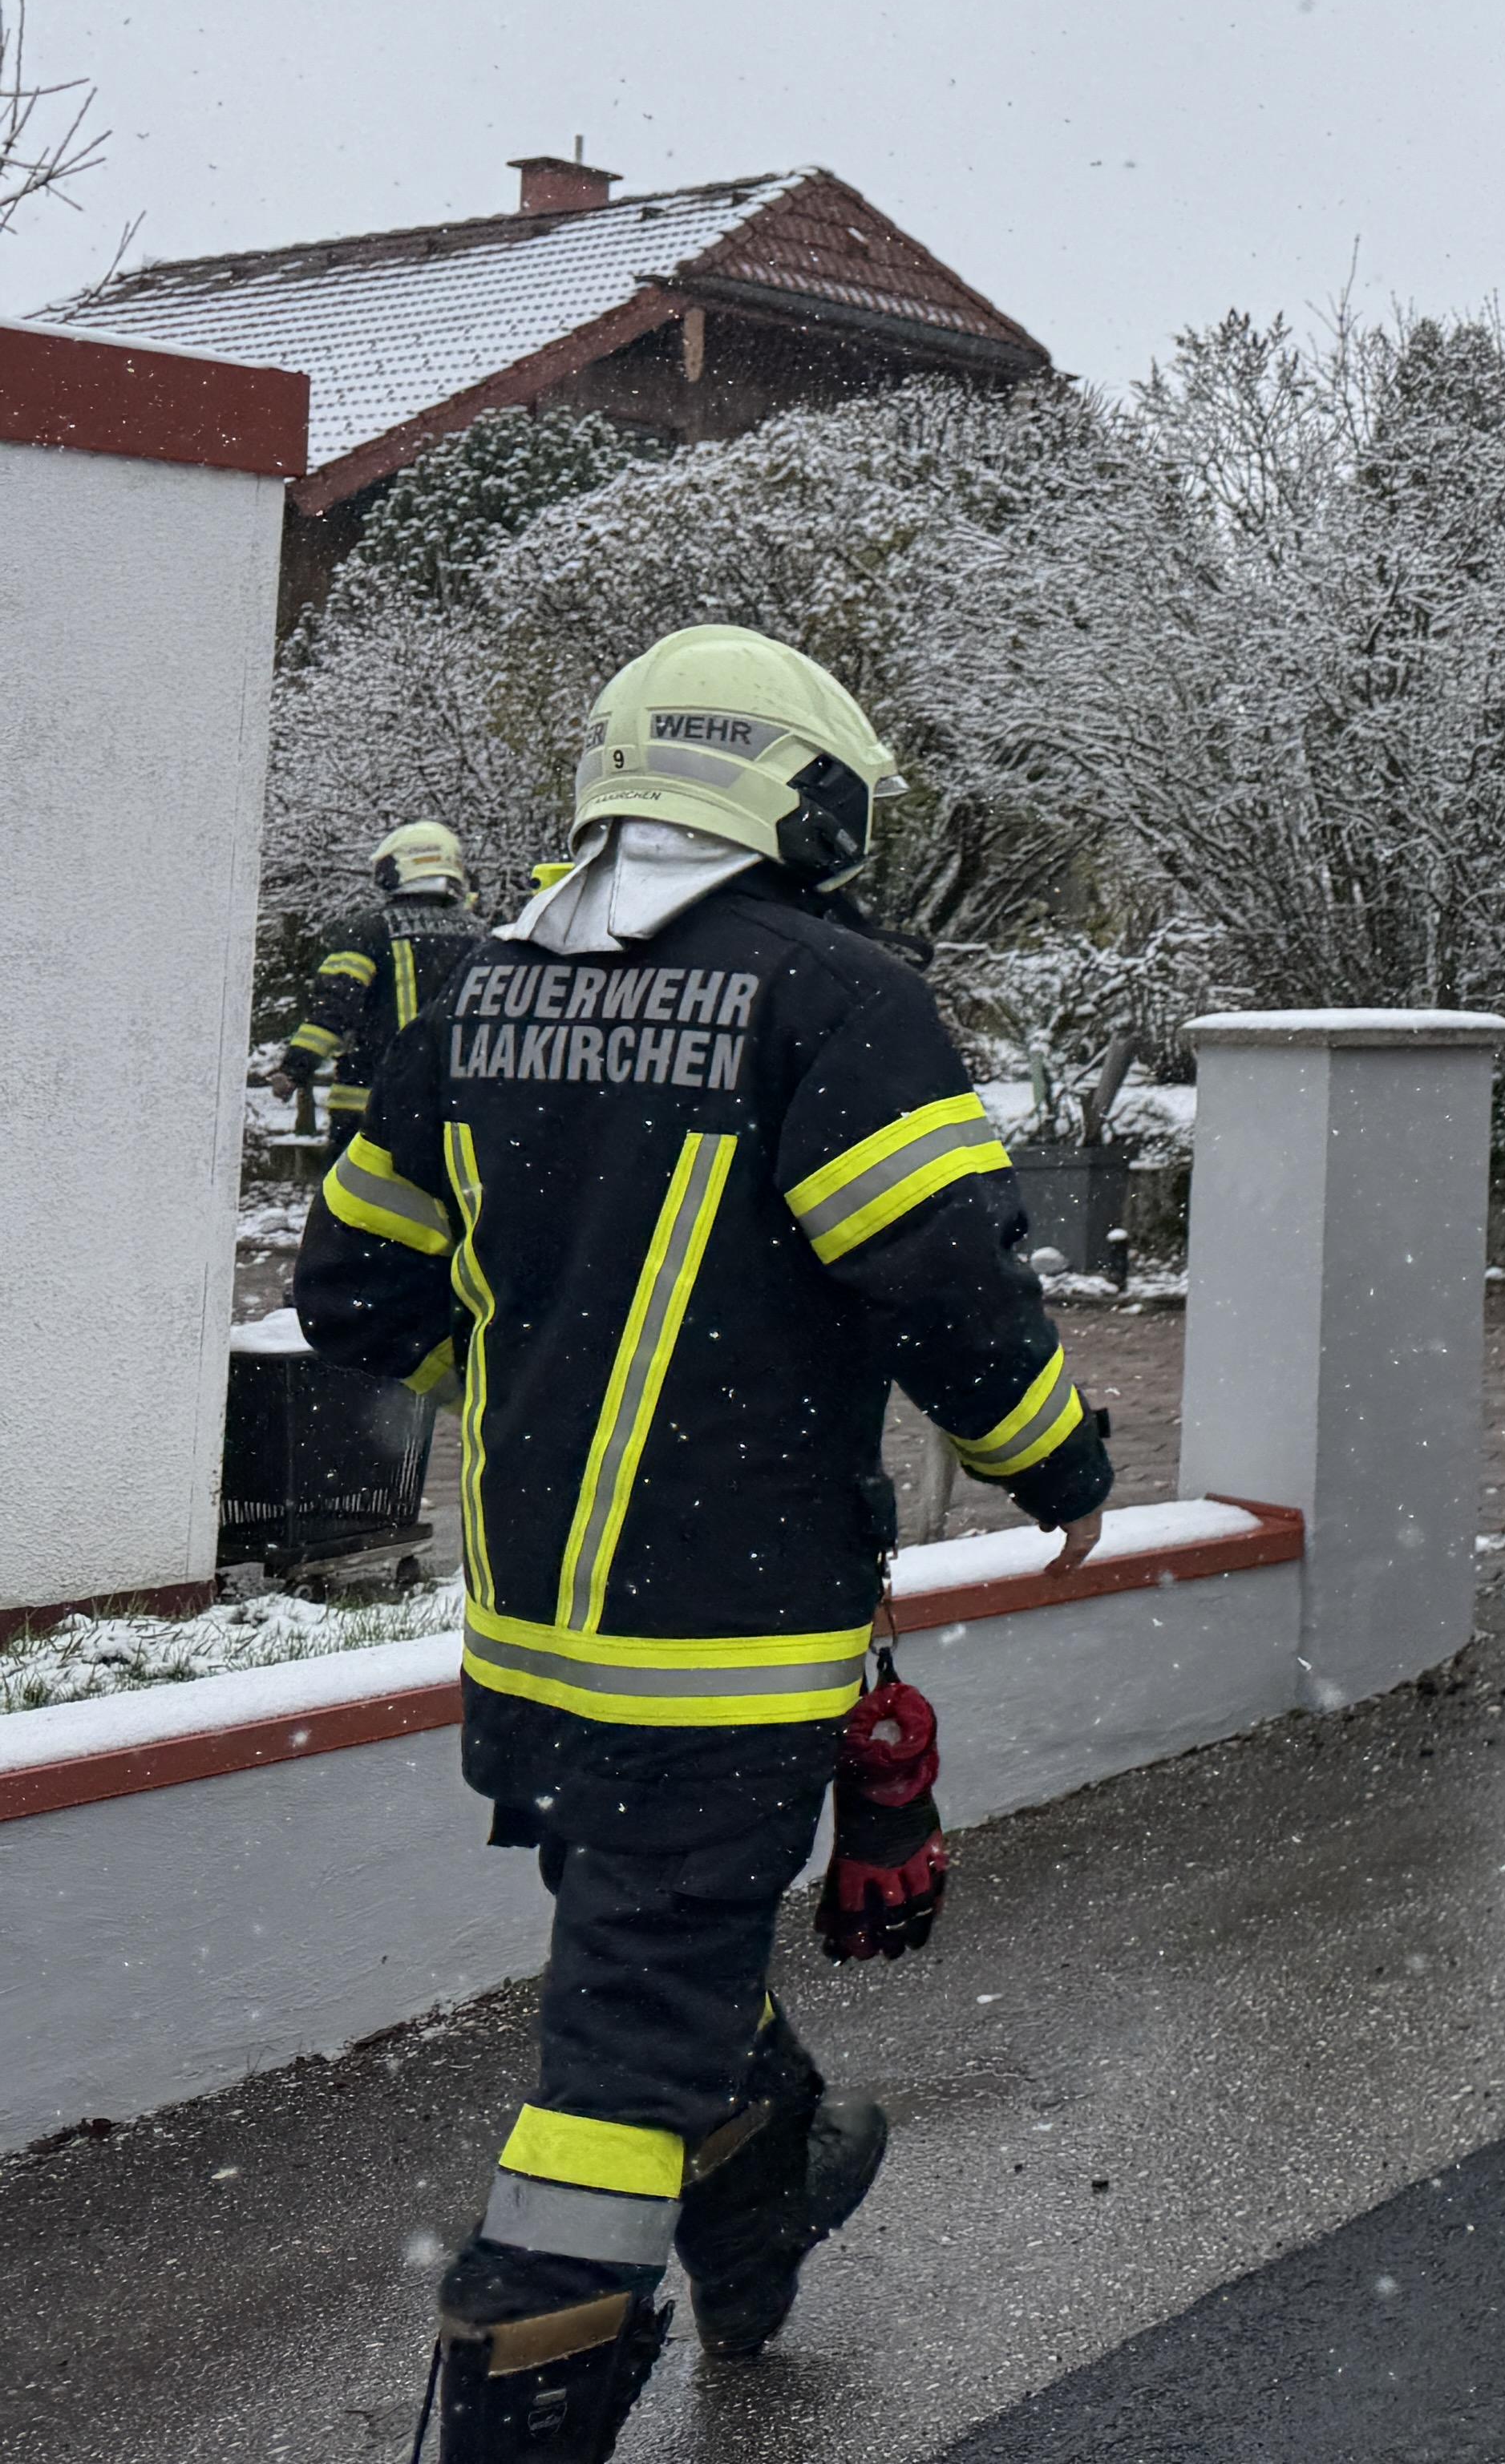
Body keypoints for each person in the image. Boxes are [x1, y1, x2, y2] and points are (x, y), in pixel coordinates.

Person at [295, 627, 1115, 2458]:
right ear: (792, 795)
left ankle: (763, 2217)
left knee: (655, 1945)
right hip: (724, 1651)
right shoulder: (836, 997)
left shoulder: (473, 1008)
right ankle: (522, 2410)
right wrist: (1056, 1460)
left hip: (536, 1655)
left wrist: (529, 1376)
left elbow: (353, 1290)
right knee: (620, 2050)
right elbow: (944, 1287)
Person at [281, 820, 485, 1127]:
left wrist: (294, 1068)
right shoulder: (482, 936)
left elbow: (334, 1007)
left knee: (354, 1178)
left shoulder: (368, 930)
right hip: (454, 1109)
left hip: (372, 1101)